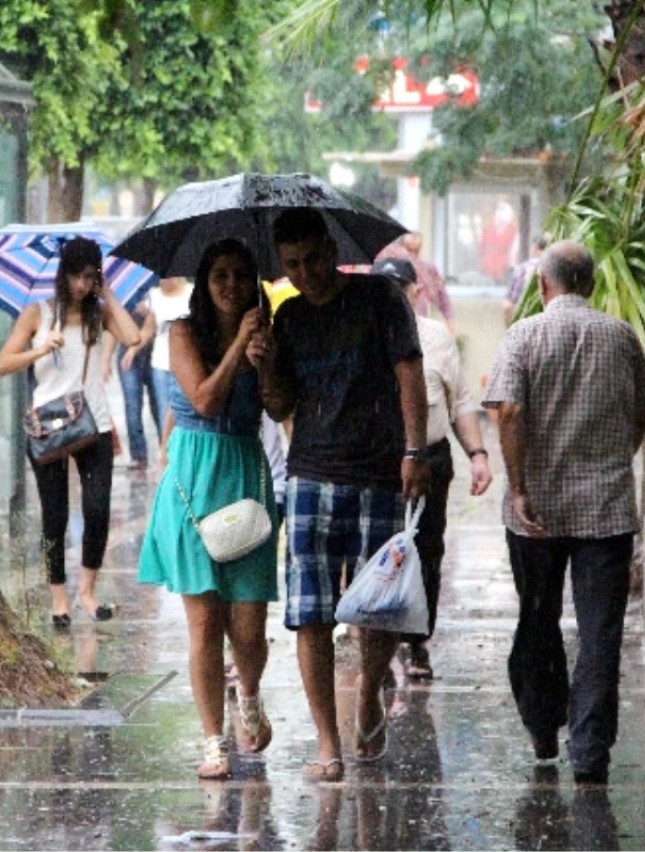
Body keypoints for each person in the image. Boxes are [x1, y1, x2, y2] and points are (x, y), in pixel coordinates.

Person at [246, 208, 430, 781]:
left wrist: (415, 451)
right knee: (311, 615)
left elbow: (409, 371)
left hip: (379, 471)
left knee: (378, 608)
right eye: (292, 265)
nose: (306, 273)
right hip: (310, 475)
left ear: (332, 250)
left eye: (313, 259)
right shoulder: (289, 317)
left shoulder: (380, 298)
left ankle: (371, 688)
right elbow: (280, 407)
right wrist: (265, 365)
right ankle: (328, 742)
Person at [481, 240, 645, 786]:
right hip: (606, 511)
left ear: (542, 285)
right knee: (600, 632)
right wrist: (611, 461)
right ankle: (589, 751)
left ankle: (541, 725)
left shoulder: (524, 335)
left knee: (538, 618)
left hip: (537, 512)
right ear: (594, 286)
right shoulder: (622, 337)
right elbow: (641, 413)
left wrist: (520, 487)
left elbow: (506, 410)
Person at [138, 239, 279, 779]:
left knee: (247, 623)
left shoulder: (265, 335)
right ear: (204, 281)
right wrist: (237, 347)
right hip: (194, 478)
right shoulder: (181, 332)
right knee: (204, 624)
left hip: (244, 472)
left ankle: (249, 693)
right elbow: (203, 400)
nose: (231, 284)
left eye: (242, 275)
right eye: (219, 274)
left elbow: (277, 405)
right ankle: (212, 740)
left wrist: (263, 363)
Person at [0, 237, 140, 627]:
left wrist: (107, 291)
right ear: (62, 275)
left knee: (97, 510)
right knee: (54, 514)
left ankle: (87, 593)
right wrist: (41, 348)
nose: (80, 284)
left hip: (95, 423)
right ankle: (59, 599)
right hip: (49, 427)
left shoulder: (100, 312)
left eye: (89, 277)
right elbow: (4, 364)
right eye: (76, 275)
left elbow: (133, 337)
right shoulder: (37, 313)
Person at [373, 258, 493, 680]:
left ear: (415, 292)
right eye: (383, 286)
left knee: (426, 551)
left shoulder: (436, 338)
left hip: (431, 457)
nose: (392, 295)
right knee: (376, 552)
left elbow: (459, 400)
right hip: (376, 461)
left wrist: (477, 453)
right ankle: (377, 648)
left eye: (399, 287)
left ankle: (416, 644)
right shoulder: (363, 336)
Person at [103, 290, 159, 470]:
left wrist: (150, 310)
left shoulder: (156, 290)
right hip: (128, 354)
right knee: (132, 405)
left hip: (155, 353)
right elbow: (112, 330)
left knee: (160, 404)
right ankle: (139, 456)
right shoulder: (122, 295)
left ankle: (165, 450)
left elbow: (162, 322)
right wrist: (106, 359)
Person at [143, 275, 193, 436]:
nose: (164, 281)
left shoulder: (191, 292)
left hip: (186, 362)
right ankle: (166, 452)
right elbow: (148, 329)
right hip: (161, 363)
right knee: (164, 411)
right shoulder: (155, 295)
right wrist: (132, 349)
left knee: (185, 410)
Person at [376, 231, 455, 333]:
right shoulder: (389, 262)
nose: (414, 238)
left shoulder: (428, 269)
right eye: (410, 235)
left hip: (420, 323)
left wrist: (451, 325)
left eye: (417, 236)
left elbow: (443, 298)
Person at [503, 233, 550, 325]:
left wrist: (510, 330)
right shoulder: (559, 271)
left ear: (534, 248)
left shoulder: (522, 270)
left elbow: (507, 307)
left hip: (524, 325)